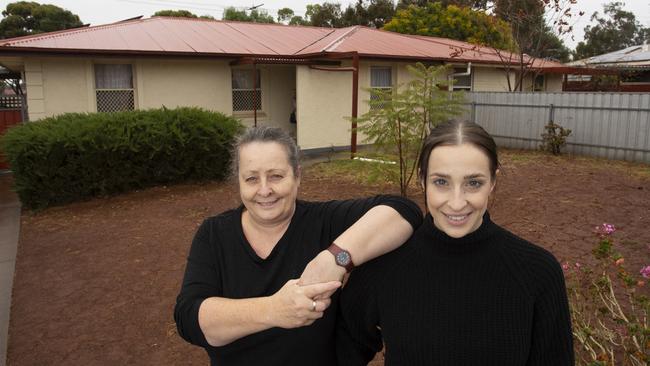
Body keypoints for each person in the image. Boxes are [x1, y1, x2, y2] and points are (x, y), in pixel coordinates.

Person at [174, 126, 422, 365]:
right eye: (251, 179)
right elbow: (189, 319)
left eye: (276, 176)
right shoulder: (215, 234)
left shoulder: (325, 222)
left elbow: (404, 211)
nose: (264, 190)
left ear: (297, 176)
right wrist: (274, 309)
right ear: (238, 182)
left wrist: (336, 259)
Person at [337, 120, 574, 365]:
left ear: (492, 182)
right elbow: (342, 349)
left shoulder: (537, 272)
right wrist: (333, 261)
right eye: (441, 182)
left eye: (473, 183)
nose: (457, 203)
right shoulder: (384, 263)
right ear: (422, 180)